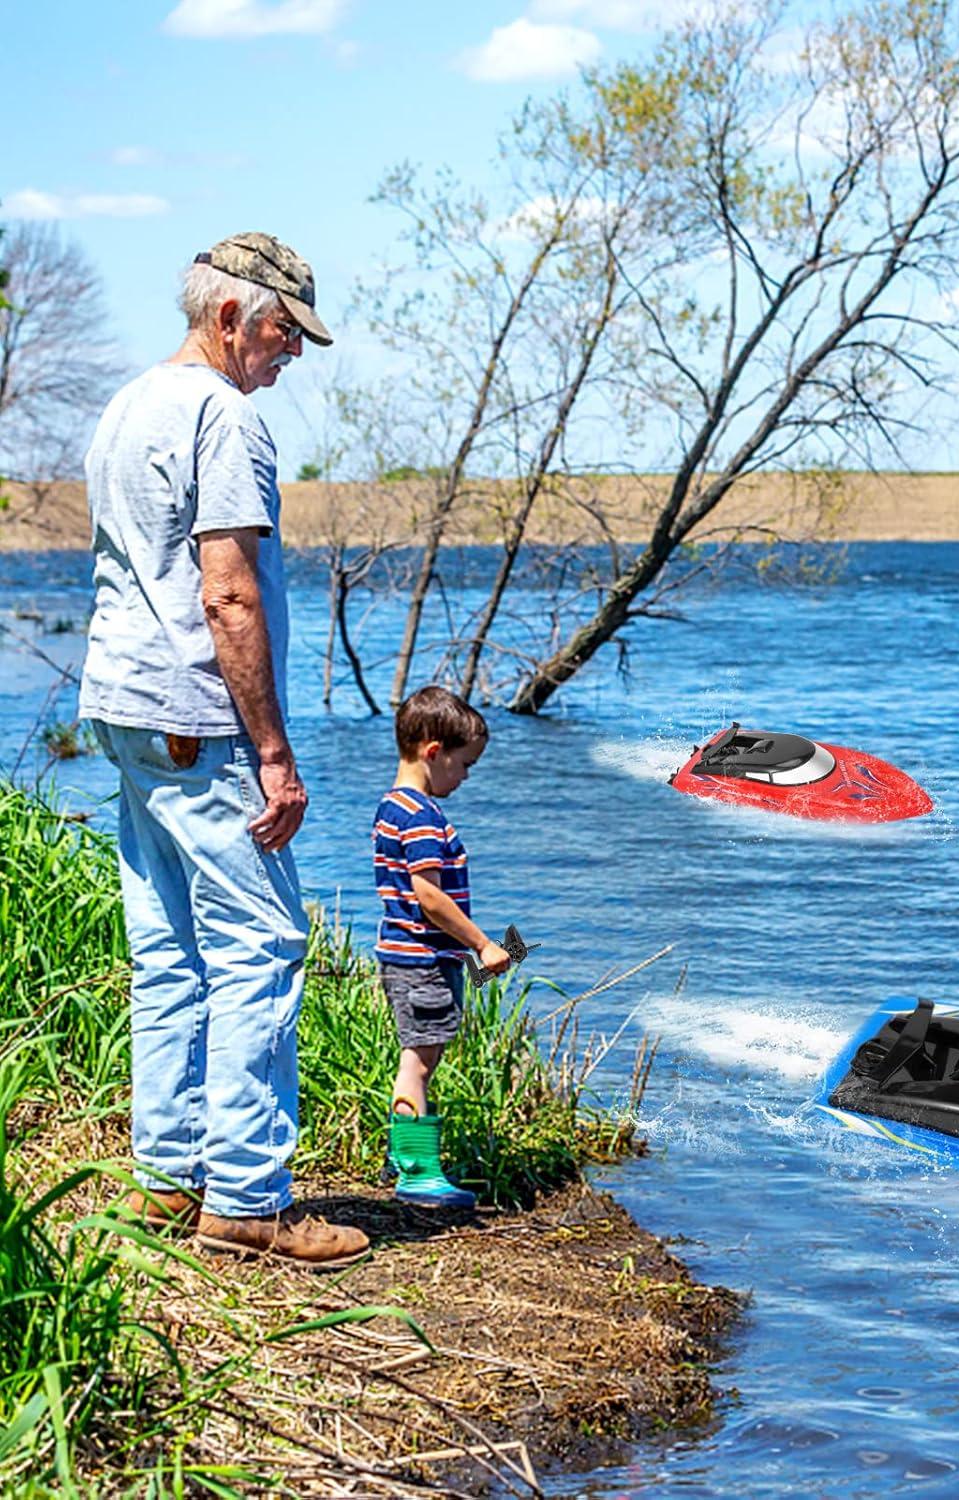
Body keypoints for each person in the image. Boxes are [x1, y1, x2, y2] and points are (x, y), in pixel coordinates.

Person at [80, 232, 368, 1266]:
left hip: (122, 709)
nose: (291, 356)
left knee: (167, 949)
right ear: (230, 317)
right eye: (286, 333)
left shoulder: (127, 404)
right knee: (262, 945)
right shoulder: (223, 416)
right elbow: (228, 591)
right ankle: (246, 1196)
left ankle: (166, 1180)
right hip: (196, 719)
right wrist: (275, 755)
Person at [373, 686, 511, 1208]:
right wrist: (482, 945)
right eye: (465, 764)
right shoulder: (423, 816)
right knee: (419, 1063)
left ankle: (408, 1159)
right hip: (423, 961)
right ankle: (416, 1173)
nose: (467, 776)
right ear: (434, 752)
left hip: (405, 954)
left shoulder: (392, 807)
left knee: (418, 1058)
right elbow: (428, 895)